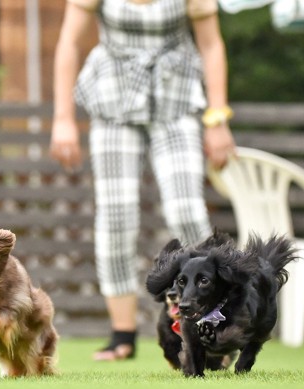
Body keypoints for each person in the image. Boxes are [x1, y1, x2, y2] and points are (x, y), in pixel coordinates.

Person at [49, 0, 236, 361]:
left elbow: (211, 45)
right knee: (117, 216)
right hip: (113, 101)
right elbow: (69, 42)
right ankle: (122, 334)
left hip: (175, 99)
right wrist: (63, 118)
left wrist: (217, 119)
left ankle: (213, 327)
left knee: (187, 212)